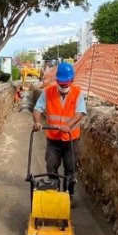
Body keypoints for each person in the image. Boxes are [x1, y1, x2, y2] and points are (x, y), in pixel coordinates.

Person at [31, 61, 86, 196]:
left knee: (70, 167)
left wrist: (68, 125)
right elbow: (37, 108)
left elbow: (80, 113)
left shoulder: (78, 93)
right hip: (53, 138)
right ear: (56, 80)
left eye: (66, 83)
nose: (63, 86)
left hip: (71, 138)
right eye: (61, 83)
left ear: (72, 80)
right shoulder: (48, 92)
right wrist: (37, 122)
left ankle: (68, 195)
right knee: (51, 166)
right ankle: (54, 193)